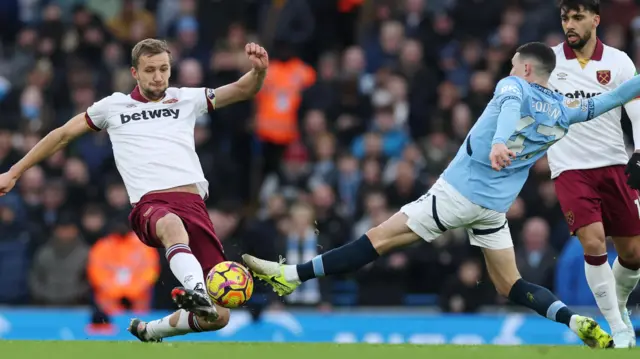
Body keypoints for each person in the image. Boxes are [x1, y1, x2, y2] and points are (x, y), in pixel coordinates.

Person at [243, 41, 640, 349]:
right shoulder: (564, 112)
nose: (509, 69)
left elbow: (509, 106)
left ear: (527, 67)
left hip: (457, 194)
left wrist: (500, 142)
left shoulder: (513, 84)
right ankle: (574, 321)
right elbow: (613, 99)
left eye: (514, 63)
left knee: (377, 239)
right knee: (509, 284)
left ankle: (289, 276)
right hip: (493, 211)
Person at [0, 38, 269, 342]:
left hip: (194, 206)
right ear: (134, 72)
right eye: (150, 69)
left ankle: (151, 330)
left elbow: (243, 89)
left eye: (164, 69)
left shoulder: (185, 98)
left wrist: (259, 71)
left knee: (219, 317)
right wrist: (14, 172)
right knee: (171, 225)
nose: (158, 76)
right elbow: (61, 135)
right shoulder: (112, 107)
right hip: (151, 205)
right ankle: (196, 291)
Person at [548, 0, 640, 347]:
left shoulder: (618, 61)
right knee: (593, 241)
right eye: (564, 18)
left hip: (614, 162)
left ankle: (618, 309)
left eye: (577, 17)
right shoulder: (548, 62)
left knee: (633, 254)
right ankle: (618, 327)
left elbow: (636, 108)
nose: (569, 24)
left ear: (596, 20)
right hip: (570, 167)